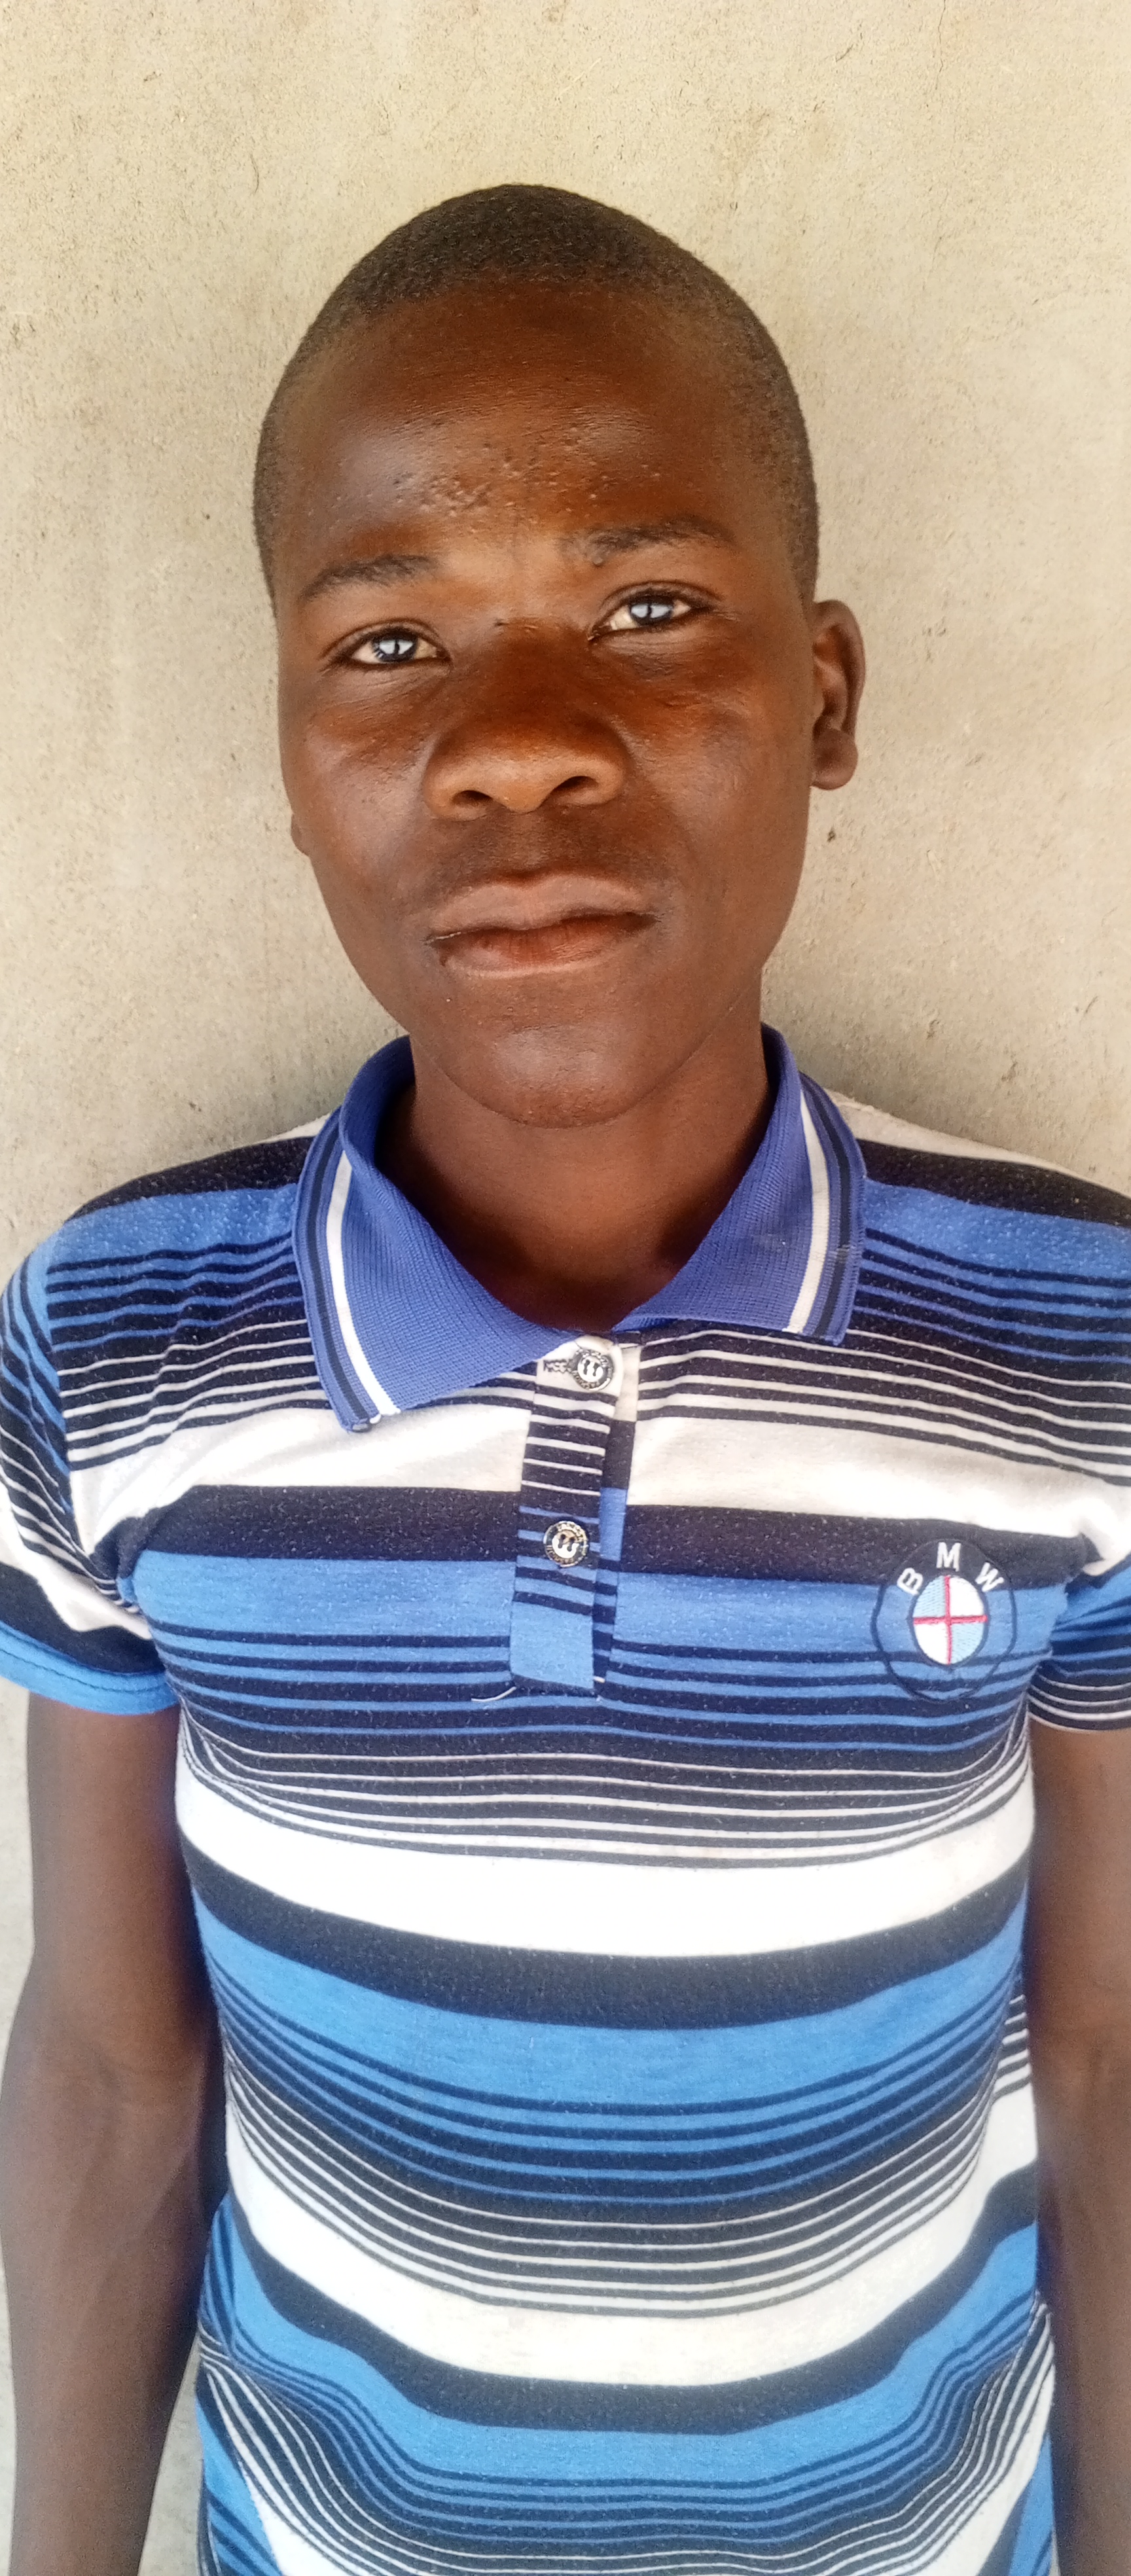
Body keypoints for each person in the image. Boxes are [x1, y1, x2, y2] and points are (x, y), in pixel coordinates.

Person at [0, 182, 1129, 2576]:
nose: (518, 747)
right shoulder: (117, 1347)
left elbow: (1113, 2037)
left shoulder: (1077, 1339)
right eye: (390, 641)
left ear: (825, 695)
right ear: (291, 748)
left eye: (647, 609)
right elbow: (108, 2066)